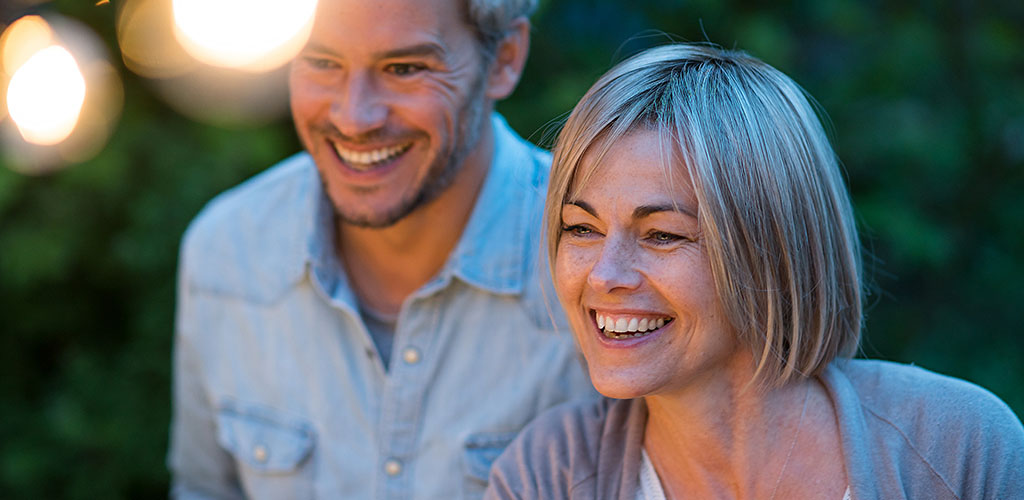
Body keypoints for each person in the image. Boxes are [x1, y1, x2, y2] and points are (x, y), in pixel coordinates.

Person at [485, 43, 1024, 500]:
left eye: (663, 235)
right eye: (581, 228)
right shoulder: (545, 477)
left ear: (769, 248)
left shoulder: (960, 449)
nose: (605, 275)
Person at [167, 0, 595, 497]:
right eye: (321, 61)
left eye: (405, 68)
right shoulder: (228, 249)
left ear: (504, 59)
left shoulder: (602, 264)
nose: (354, 118)